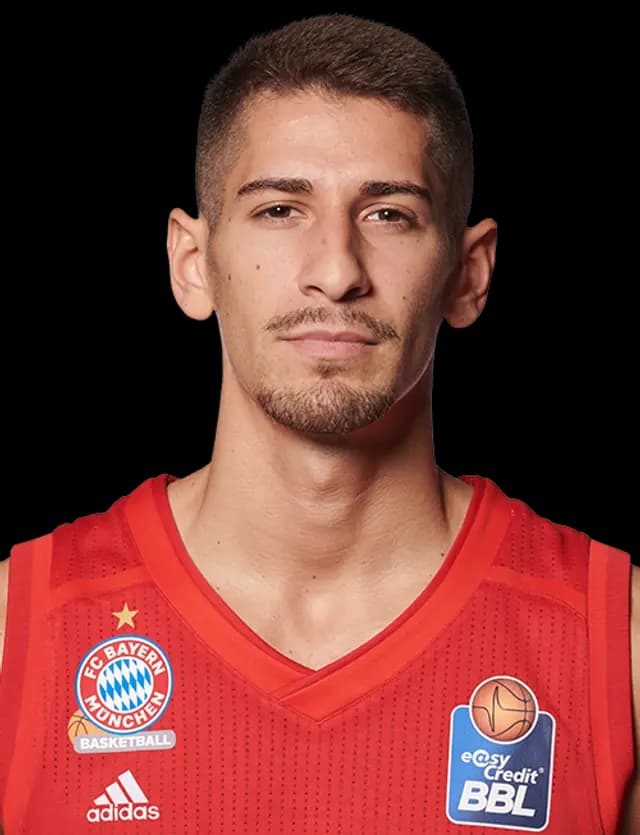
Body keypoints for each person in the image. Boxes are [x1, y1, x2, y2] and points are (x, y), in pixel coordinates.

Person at [0, 12, 637, 834]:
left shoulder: (612, 646)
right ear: (193, 264)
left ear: (468, 273)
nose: (336, 272)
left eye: (389, 214)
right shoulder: (21, 633)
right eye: (279, 209)